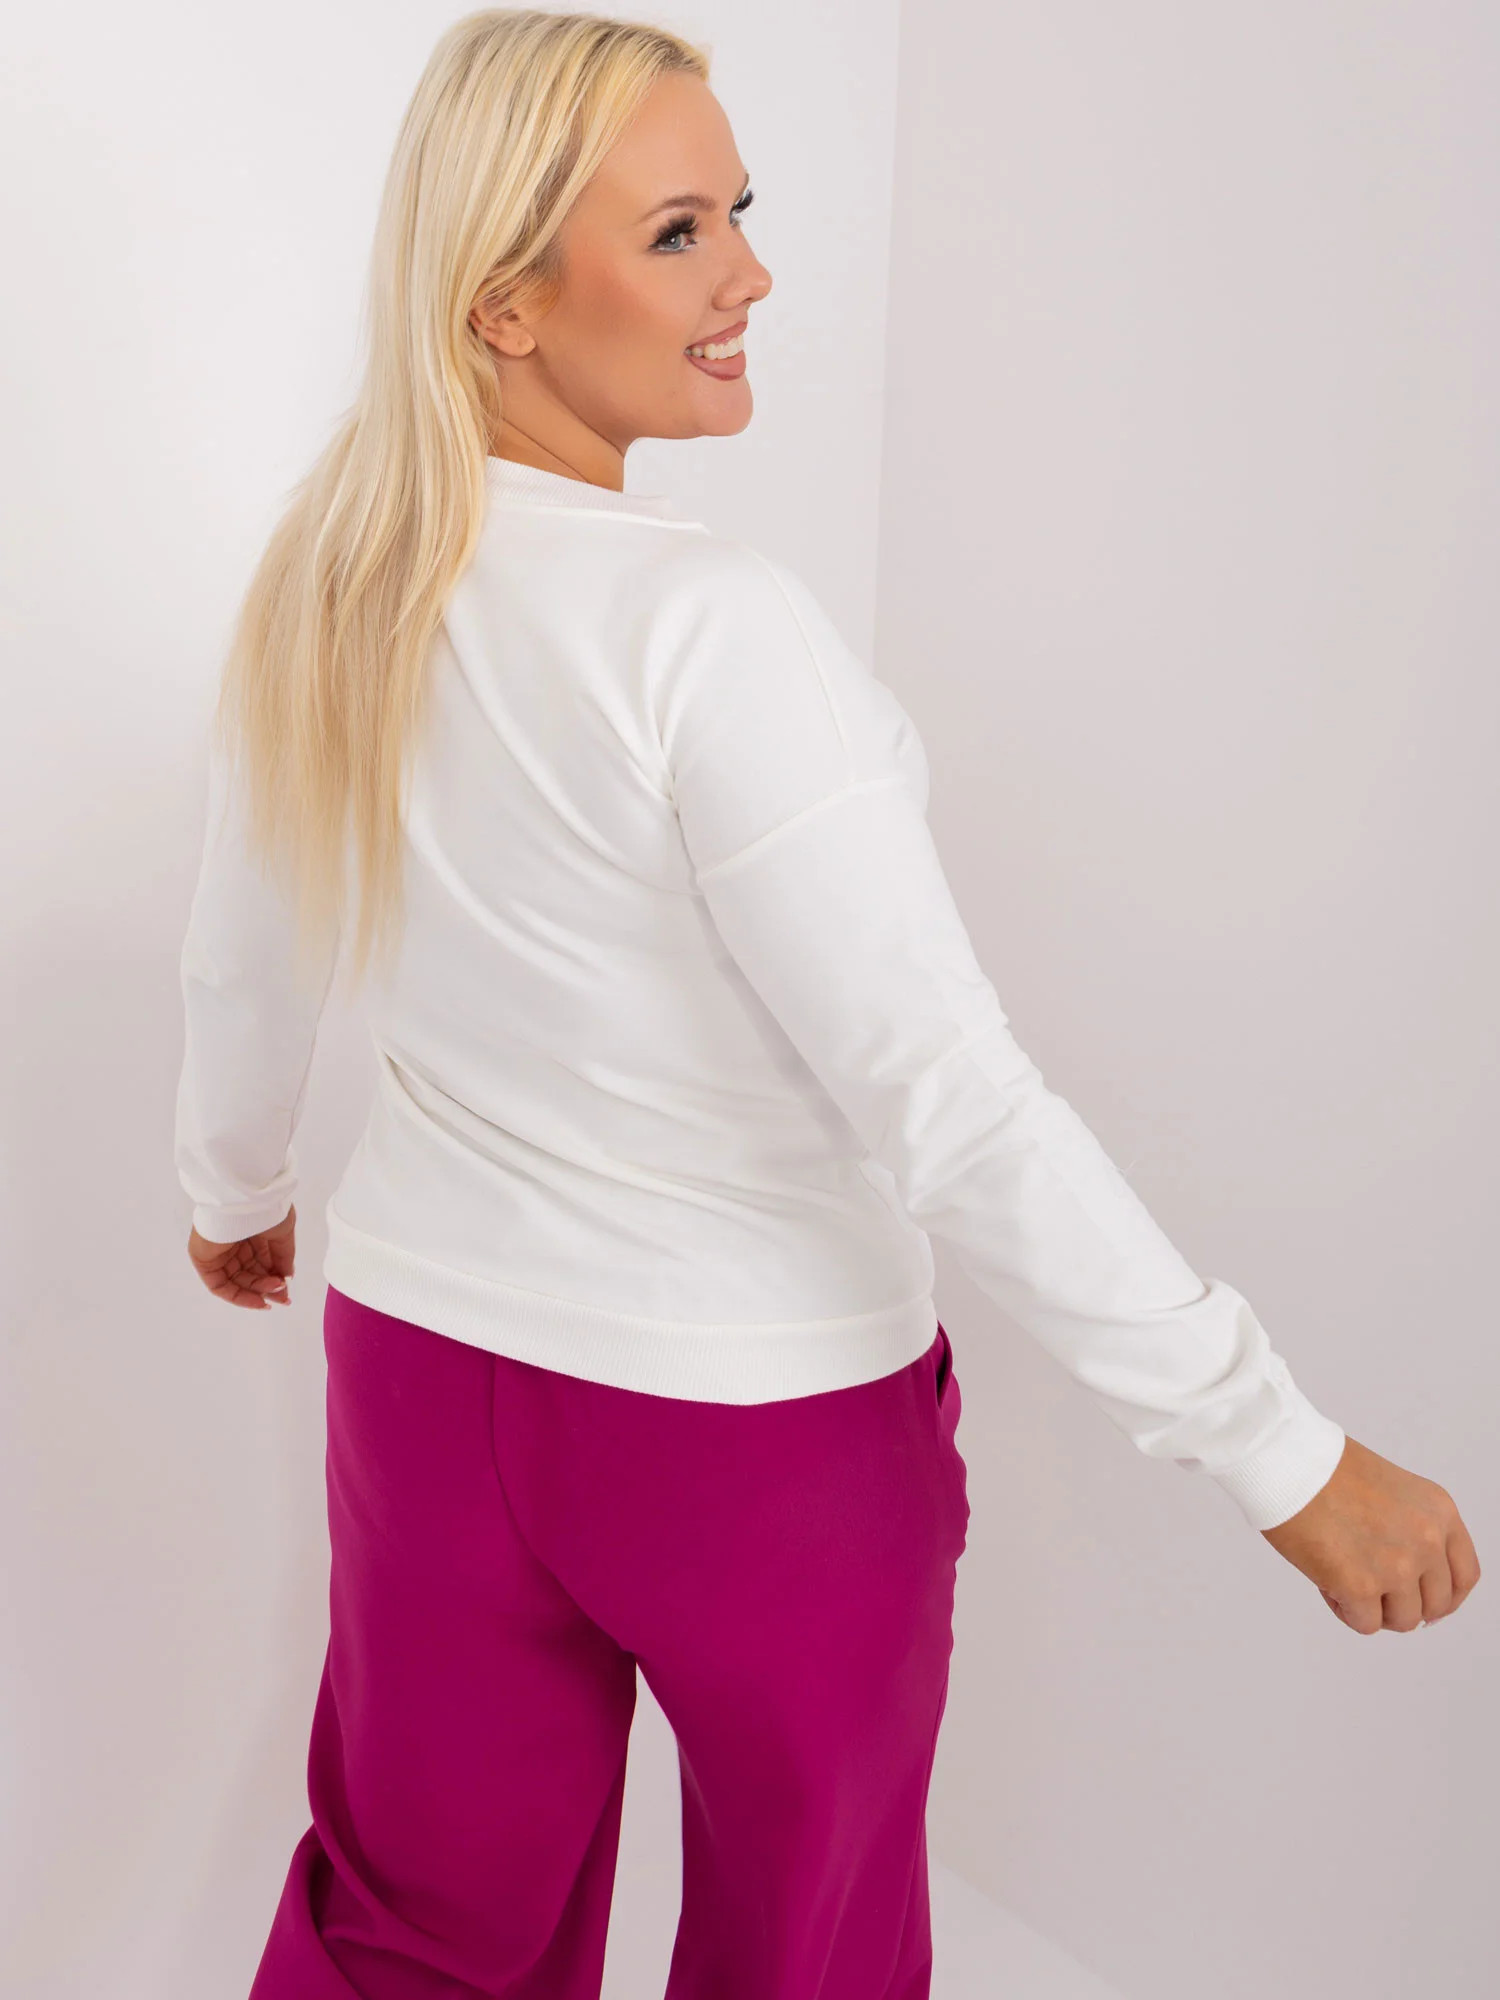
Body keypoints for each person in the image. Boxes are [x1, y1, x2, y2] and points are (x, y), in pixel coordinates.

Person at [172, 10, 1480, 1997]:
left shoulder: (337, 581)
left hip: (428, 1380)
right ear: (504, 304)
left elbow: (241, 946)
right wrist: (1281, 1452)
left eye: (739, 212)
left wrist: (233, 1181)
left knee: (408, 1935)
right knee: (809, 1960)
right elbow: (949, 1097)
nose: (753, 274)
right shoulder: (708, 630)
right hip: (753, 1433)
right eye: (678, 231)